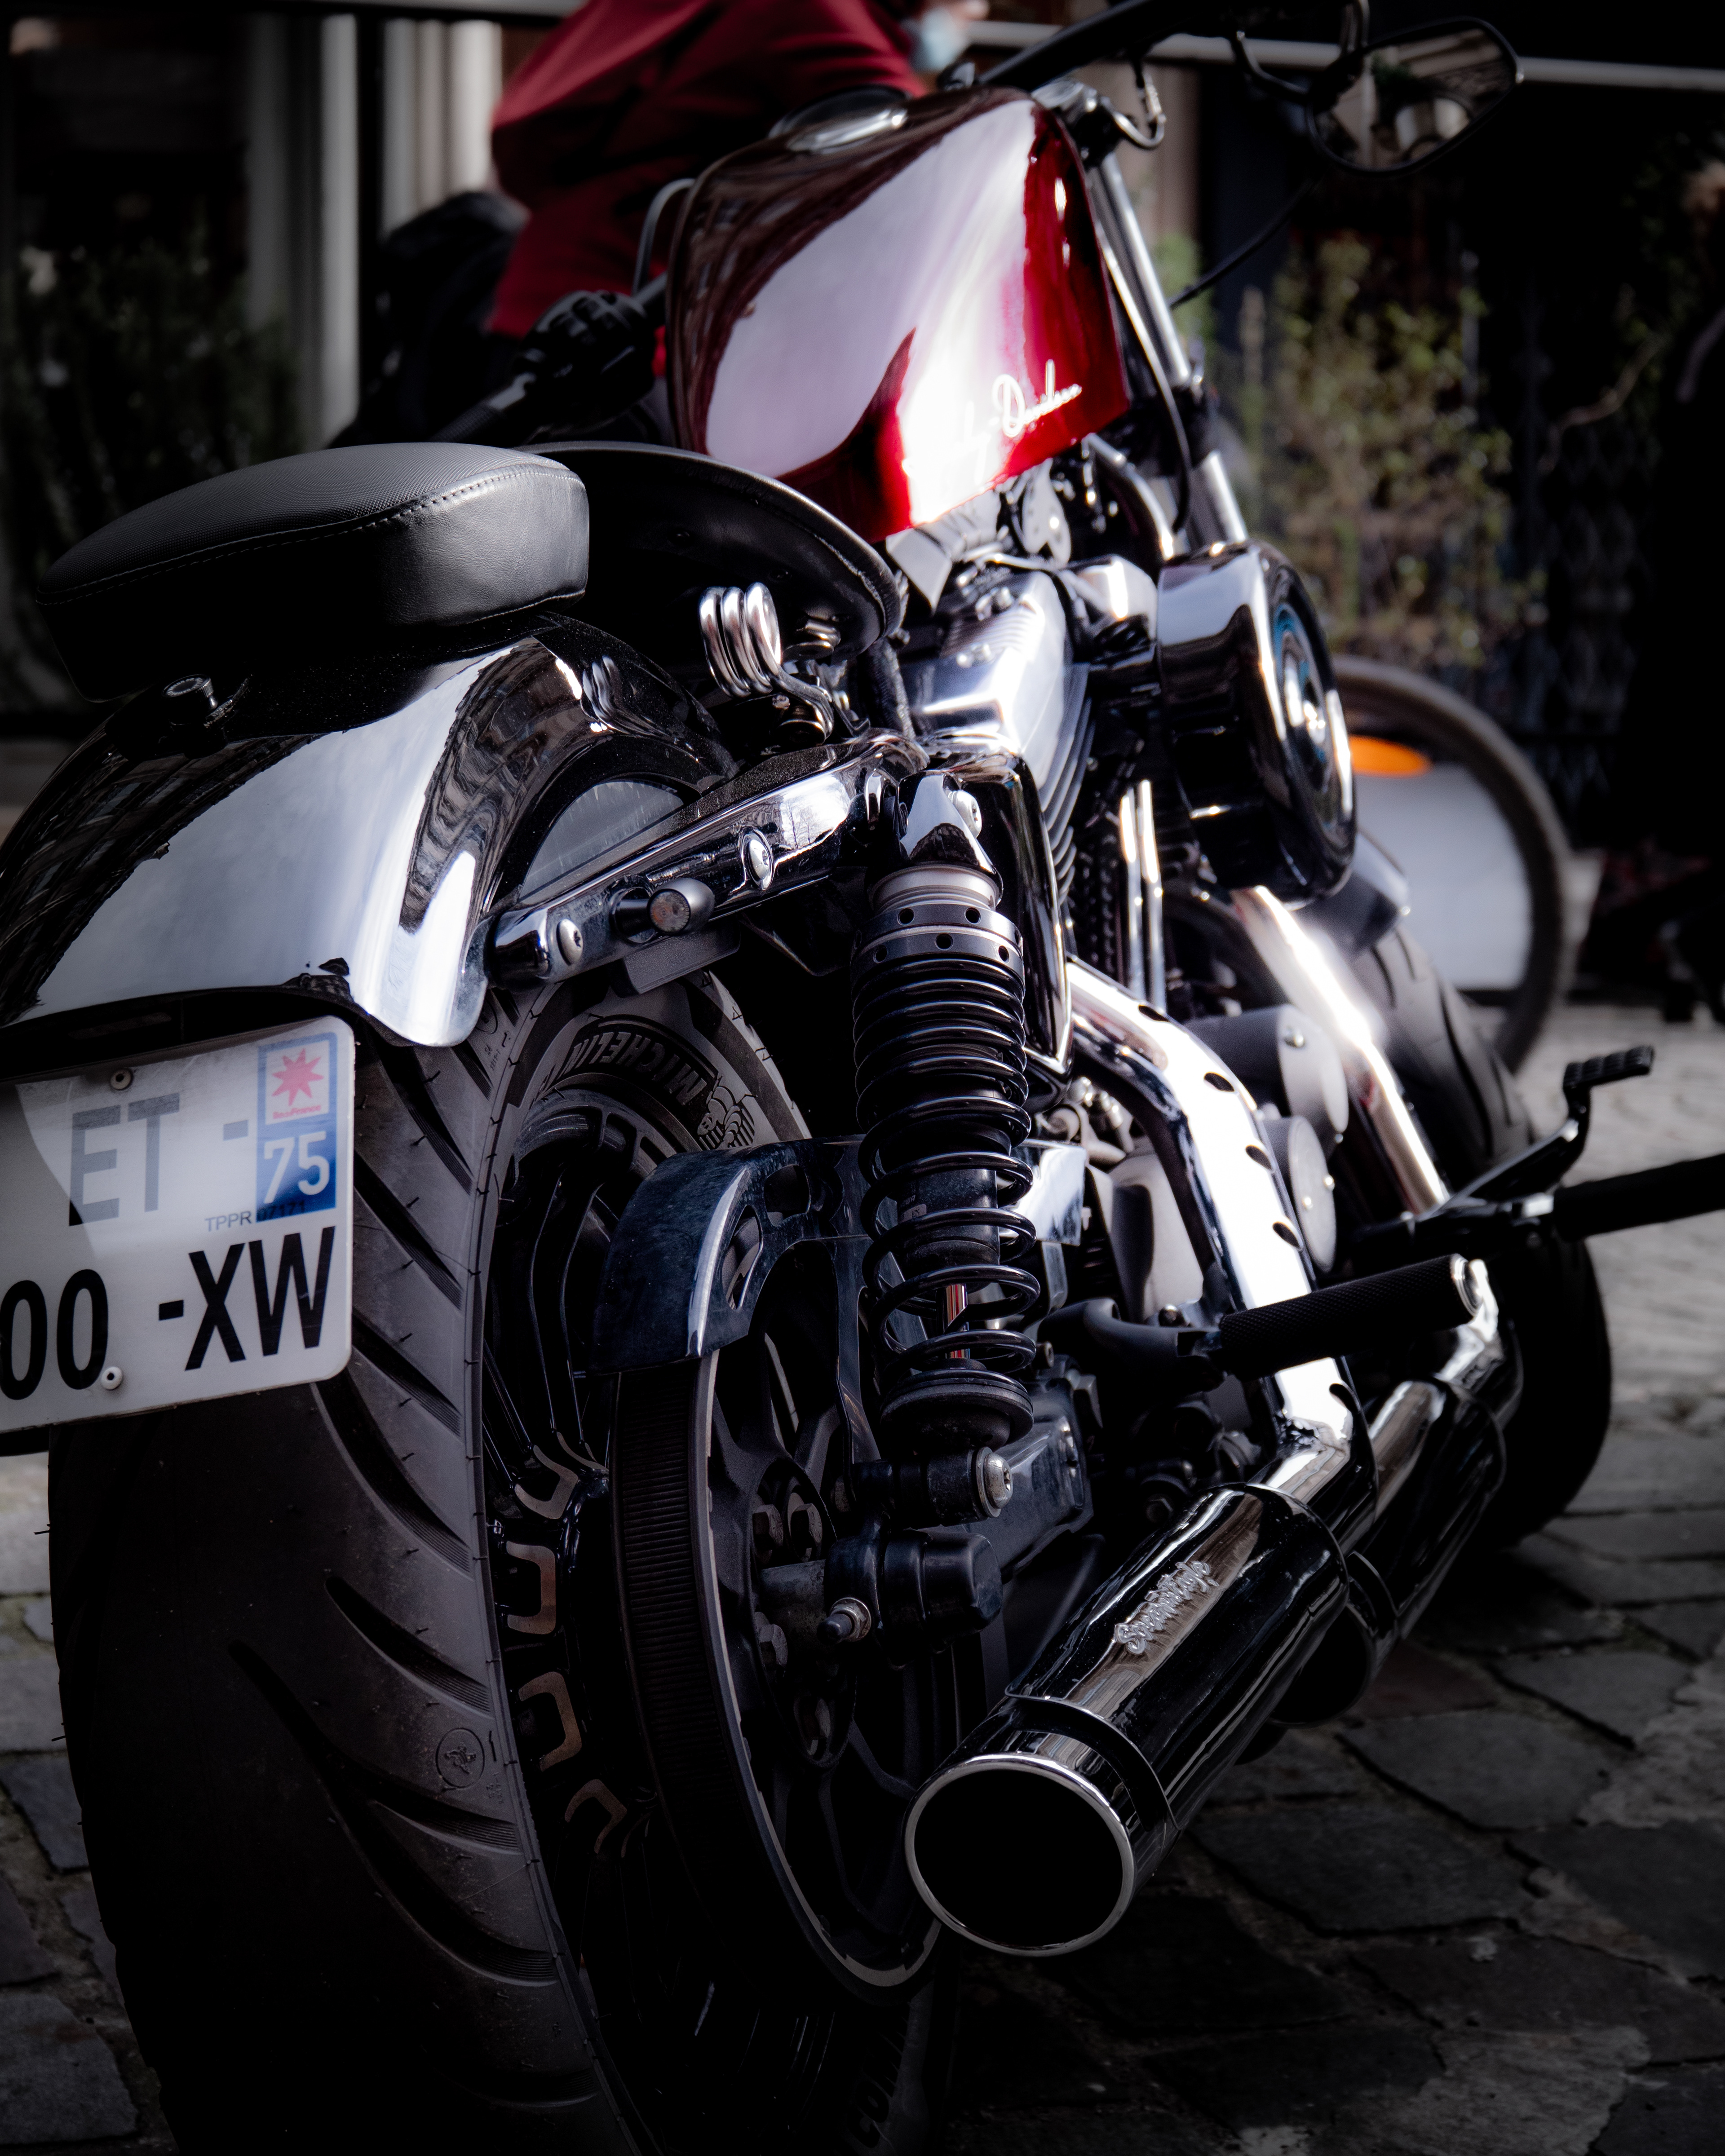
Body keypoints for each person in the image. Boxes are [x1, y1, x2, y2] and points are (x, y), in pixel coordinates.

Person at [487, 0, 981, 340]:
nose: (978, 11)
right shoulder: (814, 14)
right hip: (612, 318)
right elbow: (927, 153)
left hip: (570, 300)